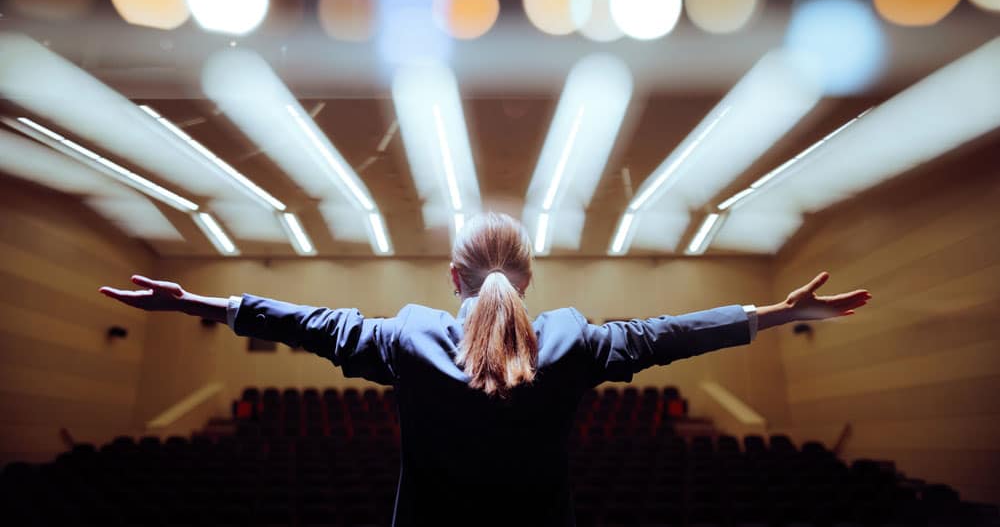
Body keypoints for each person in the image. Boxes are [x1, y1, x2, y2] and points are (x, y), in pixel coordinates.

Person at [100, 211, 870, 527]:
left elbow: (311, 325)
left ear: (452, 277)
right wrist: (774, 314)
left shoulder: (409, 340)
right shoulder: (567, 341)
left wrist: (199, 300)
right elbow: (662, 335)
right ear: (526, 281)